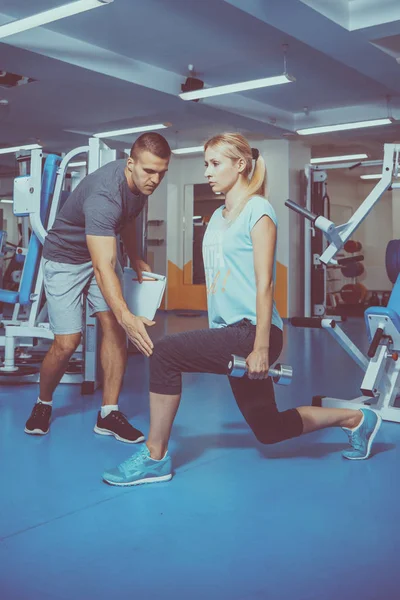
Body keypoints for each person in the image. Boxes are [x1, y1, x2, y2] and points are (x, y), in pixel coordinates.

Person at [102, 132, 382, 487]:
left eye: (215, 164)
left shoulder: (259, 210)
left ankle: (155, 456)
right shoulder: (216, 217)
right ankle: (356, 419)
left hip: (254, 331)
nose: (208, 171)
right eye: (205, 164)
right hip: (229, 331)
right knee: (269, 429)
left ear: (241, 165)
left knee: (165, 354)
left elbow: (265, 284)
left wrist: (261, 346)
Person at [25, 132, 171, 442]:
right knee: (68, 342)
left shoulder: (139, 183)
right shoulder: (104, 196)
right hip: (66, 258)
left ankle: (108, 413)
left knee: (114, 329)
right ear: (130, 164)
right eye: (149, 171)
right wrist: (127, 316)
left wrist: (135, 256)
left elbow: (128, 218)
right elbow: (102, 267)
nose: (155, 180)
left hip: (102, 251)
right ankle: (43, 404)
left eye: (161, 172)